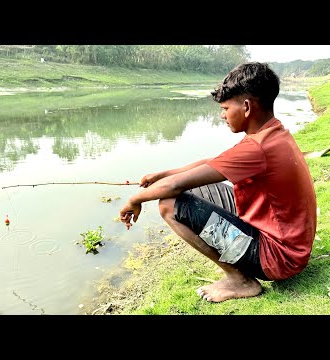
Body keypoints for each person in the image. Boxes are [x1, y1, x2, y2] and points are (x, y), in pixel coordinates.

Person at [119, 62, 317, 303]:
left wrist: (134, 199)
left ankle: (240, 280)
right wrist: (162, 174)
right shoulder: (271, 134)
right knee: (192, 187)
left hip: (278, 258)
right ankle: (238, 265)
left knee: (169, 203)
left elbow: (173, 188)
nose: (222, 115)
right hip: (287, 241)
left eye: (225, 108)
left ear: (246, 107)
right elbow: (211, 163)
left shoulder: (257, 147)